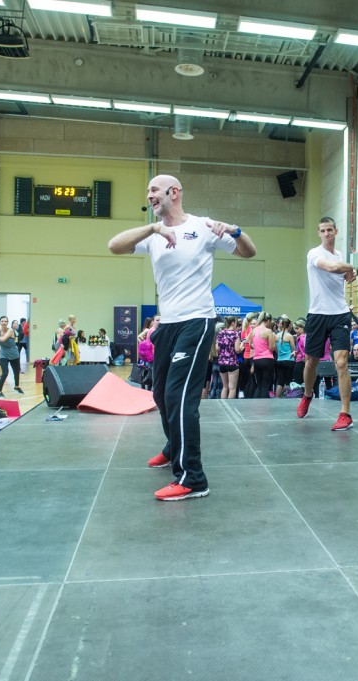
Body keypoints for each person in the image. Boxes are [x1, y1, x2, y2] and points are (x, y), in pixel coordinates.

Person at [108, 174, 256, 501]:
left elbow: (248, 251)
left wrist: (235, 231)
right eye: (147, 190)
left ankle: (193, 478)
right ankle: (173, 446)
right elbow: (114, 245)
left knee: (178, 396)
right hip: (168, 325)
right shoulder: (154, 234)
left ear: (174, 192)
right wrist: (152, 229)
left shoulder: (203, 226)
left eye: (154, 190)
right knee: (160, 394)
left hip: (197, 321)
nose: (149, 195)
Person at [298, 217, 358, 431]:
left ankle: (345, 414)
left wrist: (351, 272)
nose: (326, 233)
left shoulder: (340, 255)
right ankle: (307, 395)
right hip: (317, 314)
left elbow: (343, 274)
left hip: (340, 314)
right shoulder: (314, 253)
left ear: (336, 231)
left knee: (341, 363)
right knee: (311, 362)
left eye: (329, 230)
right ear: (318, 233)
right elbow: (332, 268)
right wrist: (351, 267)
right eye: (322, 230)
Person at [0, 315, 22, 397]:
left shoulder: (10, 331)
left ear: (8, 322)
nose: (4, 322)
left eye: (5, 321)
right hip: (3, 354)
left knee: (16, 371)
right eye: (2, 321)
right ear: (0, 322)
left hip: (14, 354)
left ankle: (16, 386)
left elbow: (2, 339)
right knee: (5, 373)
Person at [249, 312, 276, 398]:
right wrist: (274, 343)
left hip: (256, 360)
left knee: (259, 385)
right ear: (267, 321)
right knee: (265, 385)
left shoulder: (254, 330)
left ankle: (256, 403)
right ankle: (264, 404)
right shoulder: (268, 331)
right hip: (267, 359)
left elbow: (250, 344)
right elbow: (271, 347)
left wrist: (258, 347)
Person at [215, 316, 241, 399]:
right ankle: (230, 405)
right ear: (233, 323)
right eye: (236, 322)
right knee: (232, 388)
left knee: (225, 387)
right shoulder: (235, 334)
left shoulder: (221, 333)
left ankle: (223, 404)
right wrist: (242, 345)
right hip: (232, 362)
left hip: (221, 362)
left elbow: (217, 348)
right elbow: (237, 350)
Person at [273, 316, 295, 398]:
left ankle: (277, 398)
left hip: (279, 360)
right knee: (288, 381)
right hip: (289, 360)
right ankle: (288, 397)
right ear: (289, 325)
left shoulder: (276, 336)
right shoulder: (289, 336)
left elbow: (275, 348)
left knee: (280, 382)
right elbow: (293, 350)